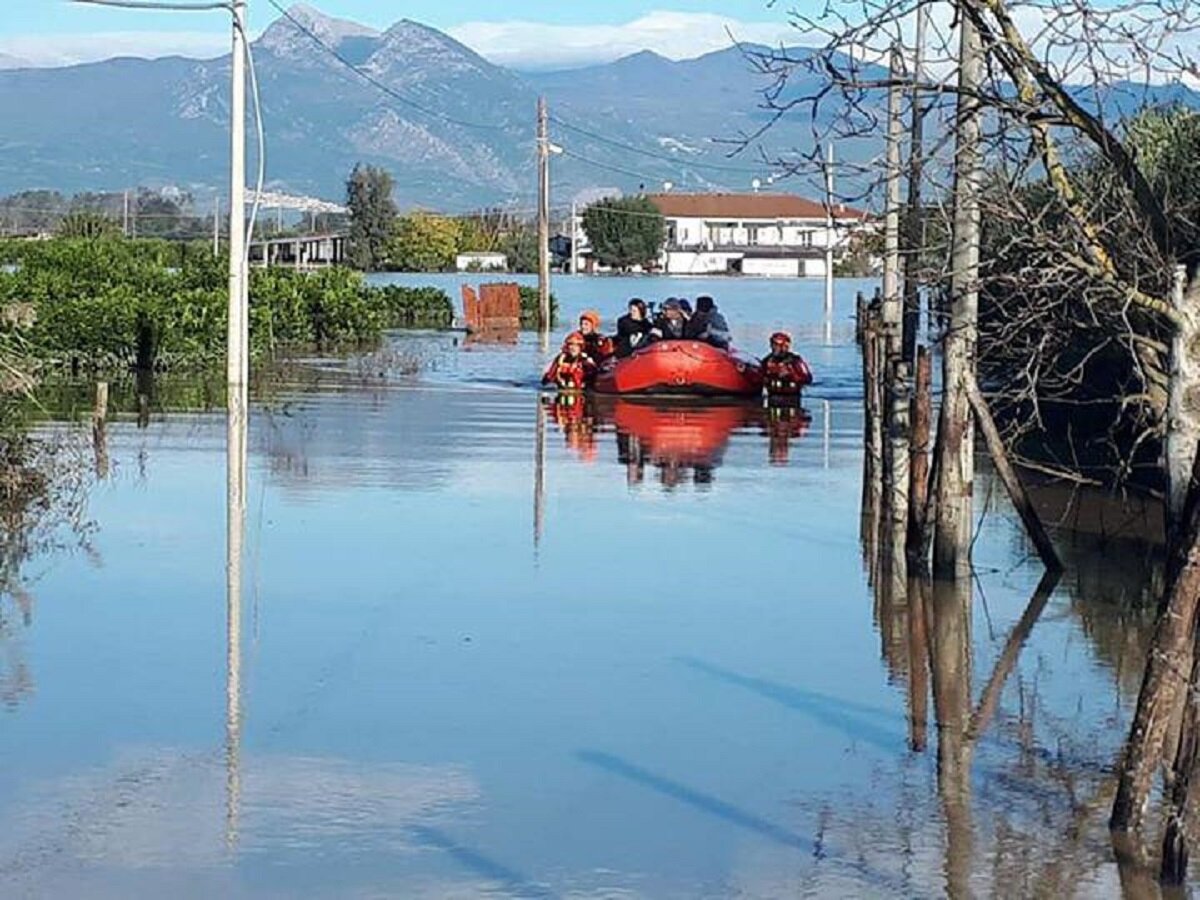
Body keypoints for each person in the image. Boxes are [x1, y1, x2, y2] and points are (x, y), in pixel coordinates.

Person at [760, 332, 813, 396]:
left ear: (786, 346)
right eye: (774, 344)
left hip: (792, 396)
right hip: (773, 396)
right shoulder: (767, 360)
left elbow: (808, 379)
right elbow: (761, 376)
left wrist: (790, 374)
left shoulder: (795, 360)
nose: (776, 348)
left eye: (779, 345)